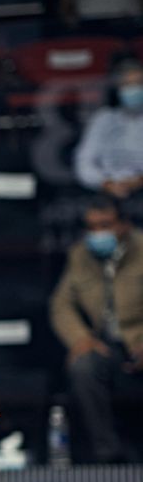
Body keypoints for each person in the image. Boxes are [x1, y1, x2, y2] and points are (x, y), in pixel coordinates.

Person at [49, 194, 143, 463]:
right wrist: (81, 339)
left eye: (105, 225)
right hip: (107, 346)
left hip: (139, 340)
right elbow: (61, 305)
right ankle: (107, 454)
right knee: (83, 367)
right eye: (91, 227)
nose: (98, 233)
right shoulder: (80, 255)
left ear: (123, 224)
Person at [73, 59, 143, 202]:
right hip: (106, 192)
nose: (134, 89)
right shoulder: (103, 119)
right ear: (117, 89)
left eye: (138, 83)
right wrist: (107, 183)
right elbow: (84, 163)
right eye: (127, 84)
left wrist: (139, 181)